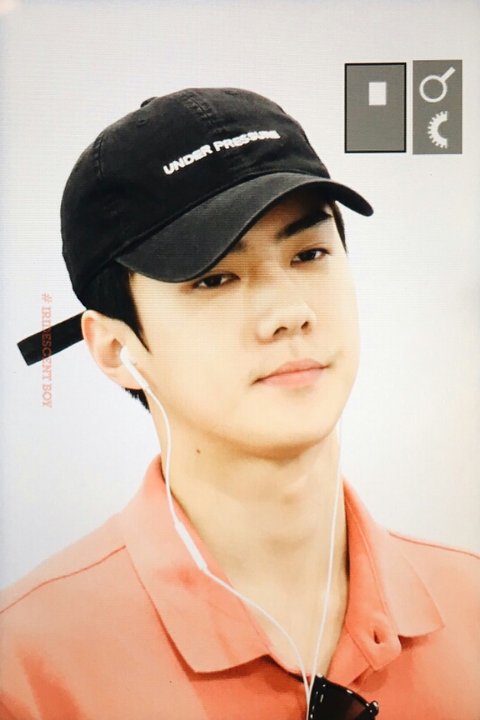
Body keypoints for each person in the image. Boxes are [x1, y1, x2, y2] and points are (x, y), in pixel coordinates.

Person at [1, 88, 479, 720]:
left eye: (309, 254)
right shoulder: (29, 669)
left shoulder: (471, 608)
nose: (289, 313)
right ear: (116, 349)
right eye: (215, 278)